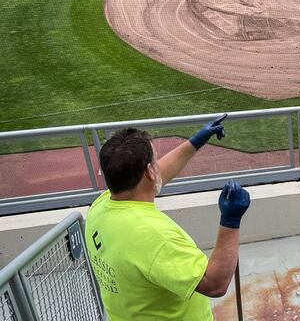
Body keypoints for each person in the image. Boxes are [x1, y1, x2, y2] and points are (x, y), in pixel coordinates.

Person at [85, 114, 250, 320]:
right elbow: (215, 283)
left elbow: (153, 176)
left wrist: (195, 142)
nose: (158, 164)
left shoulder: (101, 206)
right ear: (149, 172)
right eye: (155, 159)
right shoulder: (155, 237)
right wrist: (230, 221)